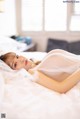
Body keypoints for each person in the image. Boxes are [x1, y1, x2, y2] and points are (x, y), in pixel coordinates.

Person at [0, 49, 80, 94]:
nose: (21, 59)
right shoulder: (33, 72)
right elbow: (61, 88)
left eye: (17, 56)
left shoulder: (36, 62)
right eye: (15, 64)